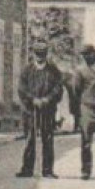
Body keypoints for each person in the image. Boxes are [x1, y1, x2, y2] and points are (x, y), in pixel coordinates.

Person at [16, 39, 65, 178]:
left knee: (47, 139)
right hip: (30, 110)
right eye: (37, 53)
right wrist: (33, 99)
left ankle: (47, 170)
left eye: (42, 54)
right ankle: (27, 169)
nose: (40, 56)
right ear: (33, 53)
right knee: (30, 138)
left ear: (46, 54)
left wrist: (47, 99)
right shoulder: (27, 70)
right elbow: (21, 88)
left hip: (48, 110)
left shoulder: (53, 70)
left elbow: (58, 87)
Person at [65, 44, 95, 133]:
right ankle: (77, 125)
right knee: (86, 137)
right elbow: (76, 88)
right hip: (87, 103)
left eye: (88, 54)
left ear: (93, 54)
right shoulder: (80, 70)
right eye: (84, 55)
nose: (85, 57)